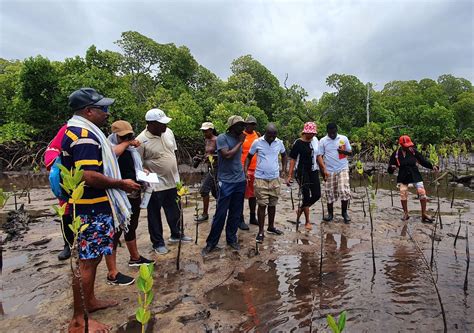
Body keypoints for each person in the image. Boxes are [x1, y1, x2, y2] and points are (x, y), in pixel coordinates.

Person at [62, 88, 141, 333]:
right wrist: (121, 183)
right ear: (88, 111)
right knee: (86, 262)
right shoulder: (84, 135)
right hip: (90, 209)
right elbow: (88, 175)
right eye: (102, 109)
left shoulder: (81, 131)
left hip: (93, 207)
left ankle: (91, 302)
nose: (107, 113)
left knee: (92, 259)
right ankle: (78, 320)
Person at [136, 108, 192, 255]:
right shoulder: (141, 140)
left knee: (174, 210)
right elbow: (137, 164)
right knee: (154, 214)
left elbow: (172, 152)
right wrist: (144, 174)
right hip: (155, 184)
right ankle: (158, 243)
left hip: (173, 181)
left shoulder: (168, 132)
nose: (165, 126)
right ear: (151, 124)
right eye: (161, 124)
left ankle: (176, 234)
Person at [107, 120, 154, 269]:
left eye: (129, 136)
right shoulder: (109, 149)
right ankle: (112, 271)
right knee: (116, 231)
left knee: (131, 226)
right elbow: (114, 155)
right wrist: (128, 143)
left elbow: (132, 168)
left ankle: (135, 257)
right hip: (119, 196)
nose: (127, 139)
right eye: (123, 137)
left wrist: (142, 173)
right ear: (115, 136)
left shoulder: (131, 151)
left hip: (134, 194)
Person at [201, 115, 246, 255]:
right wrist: (240, 142)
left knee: (235, 212)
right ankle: (211, 243)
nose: (242, 128)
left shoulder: (238, 137)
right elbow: (226, 155)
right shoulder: (222, 138)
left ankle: (231, 239)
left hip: (240, 180)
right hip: (226, 181)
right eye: (239, 125)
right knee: (220, 214)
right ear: (232, 127)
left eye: (243, 125)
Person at [245, 123, 287, 243]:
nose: (272, 138)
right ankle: (261, 231)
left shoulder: (279, 142)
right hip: (260, 178)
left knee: (272, 204)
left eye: (274, 135)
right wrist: (246, 171)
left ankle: (271, 227)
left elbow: (284, 155)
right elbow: (249, 156)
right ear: (265, 133)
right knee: (262, 204)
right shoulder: (257, 142)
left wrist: (283, 169)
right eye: (270, 135)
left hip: (274, 178)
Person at [286, 122, 328, 230]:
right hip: (302, 171)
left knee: (317, 194)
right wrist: (289, 175)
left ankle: (300, 209)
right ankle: (307, 221)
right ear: (305, 132)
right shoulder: (298, 143)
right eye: (310, 134)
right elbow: (293, 159)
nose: (312, 136)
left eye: (313, 133)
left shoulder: (315, 141)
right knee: (305, 194)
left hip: (313, 170)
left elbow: (318, 156)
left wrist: (324, 169)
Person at [388, 135, 438, 222]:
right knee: (403, 192)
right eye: (406, 146)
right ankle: (406, 213)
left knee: (421, 192)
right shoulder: (396, 154)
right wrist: (392, 168)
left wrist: (432, 166)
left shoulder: (413, 151)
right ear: (401, 145)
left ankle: (424, 214)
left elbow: (422, 161)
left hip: (415, 174)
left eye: (409, 145)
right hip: (403, 176)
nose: (408, 147)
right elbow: (390, 169)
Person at [44, 124, 73, 260]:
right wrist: (59, 164)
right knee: (66, 211)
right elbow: (52, 150)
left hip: (83, 176)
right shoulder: (67, 129)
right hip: (66, 177)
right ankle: (68, 244)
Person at [319, 123, 352, 224]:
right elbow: (319, 156)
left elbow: (350, 152)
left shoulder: (343, 138)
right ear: (327, 131)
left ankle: (344, 213)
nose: (333, 135)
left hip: (342, 168)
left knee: (344, 190)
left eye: (334, 132)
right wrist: (323, 170)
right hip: (329, 170)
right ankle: (330, 214)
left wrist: (343, 152)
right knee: (329, 192)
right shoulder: (323, 141)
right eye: (330, 133)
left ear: (337, 130)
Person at [193, 122, 218, 223]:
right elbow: (207, 153)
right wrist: (200, 157)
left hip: (217, 168)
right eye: (203, 131)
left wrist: (212, 157)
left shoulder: (217, 140)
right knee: (216, 192)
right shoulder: (206, 140)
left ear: (211, 130)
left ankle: (205, 214)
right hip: (209, 167)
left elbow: (222, 154)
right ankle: (218, 212)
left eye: (205, 131)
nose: (204, 132)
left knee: (204, 190)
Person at [240, 115, 260, 229]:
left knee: (253, 195)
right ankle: (240, 219)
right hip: (242, 168)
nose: (250, 126)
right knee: (241, 195)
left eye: (252, 124)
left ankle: (253, 217)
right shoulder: (241, 136)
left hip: (255, 169)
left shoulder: (257, 135)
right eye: (248, 124)